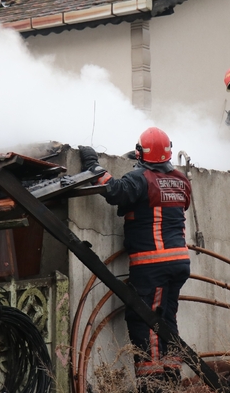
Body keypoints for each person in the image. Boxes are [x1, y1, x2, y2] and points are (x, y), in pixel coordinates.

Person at [78, 127, 191, 392]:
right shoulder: (181, 179)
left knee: (144, 319)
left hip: (152, 263)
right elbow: (166, 200)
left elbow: (115, 191)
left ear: (141, 152)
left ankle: (151, 382)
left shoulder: (140, 179)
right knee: (167, 316)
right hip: (179, 262)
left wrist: (93, 165)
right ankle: (172, 371)